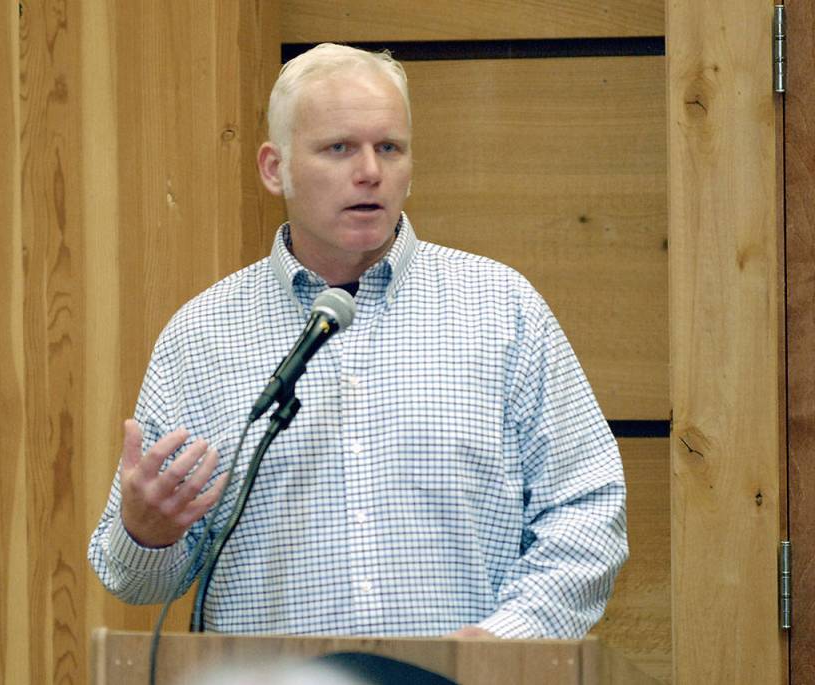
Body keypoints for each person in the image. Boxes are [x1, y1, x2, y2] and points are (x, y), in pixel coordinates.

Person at [88, 43, 628, 639]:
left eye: (389, 148)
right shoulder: (202, 337)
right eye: (339, 147)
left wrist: (505, 642)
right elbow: (136, 582)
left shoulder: (500, 309)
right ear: (276, 168)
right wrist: (147, 532)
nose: (369, 170)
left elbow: (587, 510)